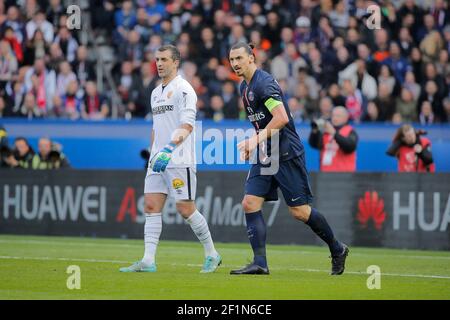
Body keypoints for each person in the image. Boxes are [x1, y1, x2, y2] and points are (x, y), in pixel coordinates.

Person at [228, 42, 349, 276]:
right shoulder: (245, 87)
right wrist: (254, 144)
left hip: (285, 153)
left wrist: (254, 141)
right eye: (232, 60)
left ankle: (337, 248)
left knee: (300, 212)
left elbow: (281, 118)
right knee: (249, 202)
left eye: (239, 59)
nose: (235, 64)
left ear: (252, 58)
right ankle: (260, 263)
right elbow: (262, 122)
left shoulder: (264, 83)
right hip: (266, 153)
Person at [120, 45, 221, 273]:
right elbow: (157, 127)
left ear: (176, 62)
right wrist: (154, 150)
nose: (159, 63)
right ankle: (148, 260)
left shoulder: (184, 90)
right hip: (158, 159)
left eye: (164, 59)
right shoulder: (156, 92)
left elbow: (187, 125)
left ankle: (212, 254)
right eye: (157, 59)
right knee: (150, 205)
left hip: (179, 159)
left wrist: (168, 149)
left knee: (185, 208)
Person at [309, 106, 358, 172]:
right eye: (333, 115)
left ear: (346, 118)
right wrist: (315, 131)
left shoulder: (350, 131)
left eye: (338, 116)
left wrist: (334, 133)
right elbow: (314, 144)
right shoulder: (326, 132)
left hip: (344, 174)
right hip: (325, 174)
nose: (335, 118)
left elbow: (350, 147)